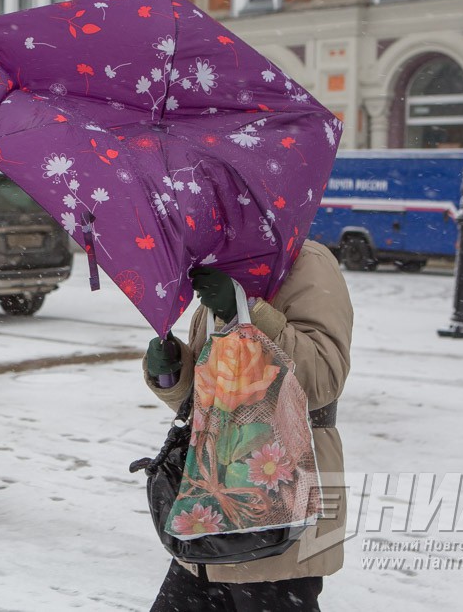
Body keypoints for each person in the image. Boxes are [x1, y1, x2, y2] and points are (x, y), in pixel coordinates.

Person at [143, 239, 353, 612]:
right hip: (210, 508)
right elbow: (217, 397)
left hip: (281, 506)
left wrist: (249, 313)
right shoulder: (226, 261)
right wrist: (172, 372)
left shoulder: (307, 262)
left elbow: (323, 379)